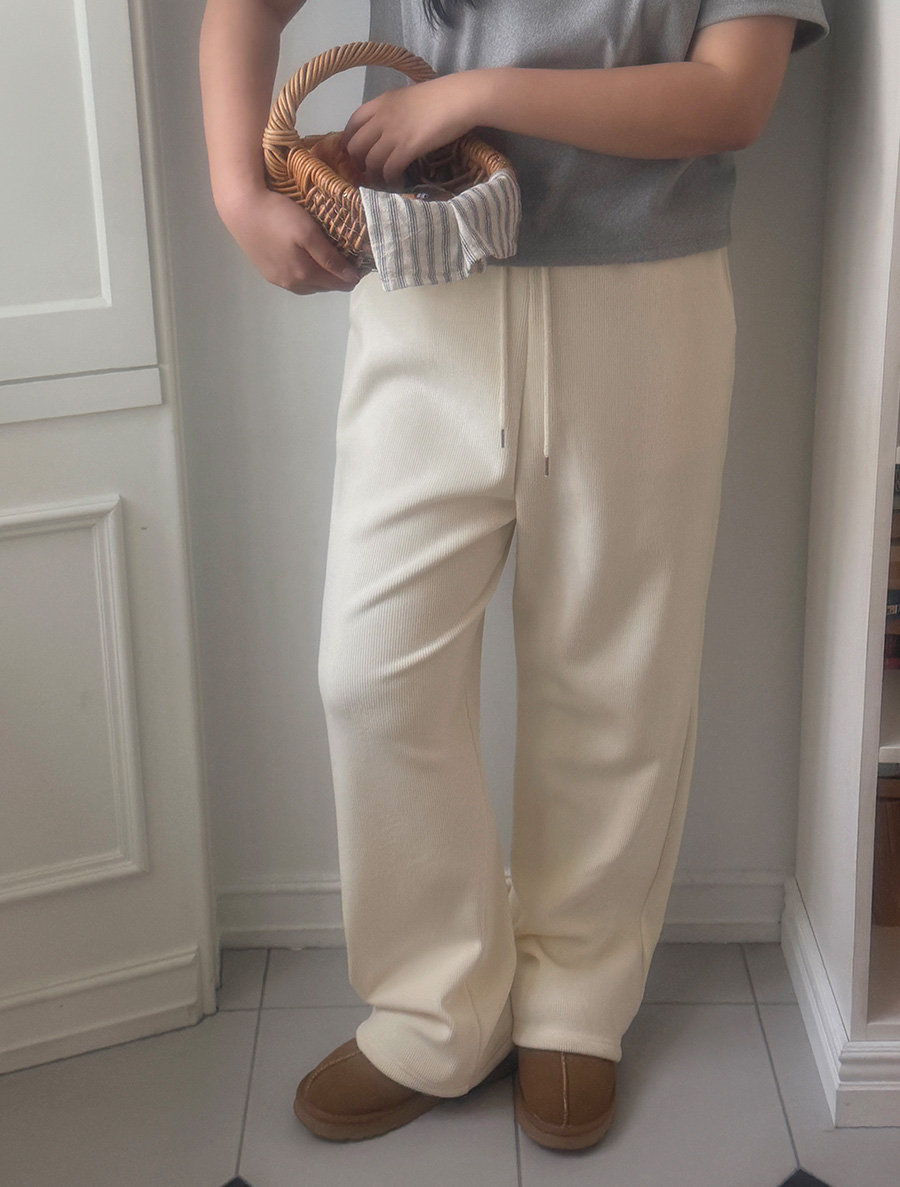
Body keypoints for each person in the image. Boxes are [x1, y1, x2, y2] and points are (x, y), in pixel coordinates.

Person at [199, 0, 831, 1152]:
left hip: (646, 296)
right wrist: (237, 192)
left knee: (616, 673)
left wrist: (474, 94)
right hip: (423, 282)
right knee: (370, 672)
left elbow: (732, 97)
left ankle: (575, 998)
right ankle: (435, 1005)